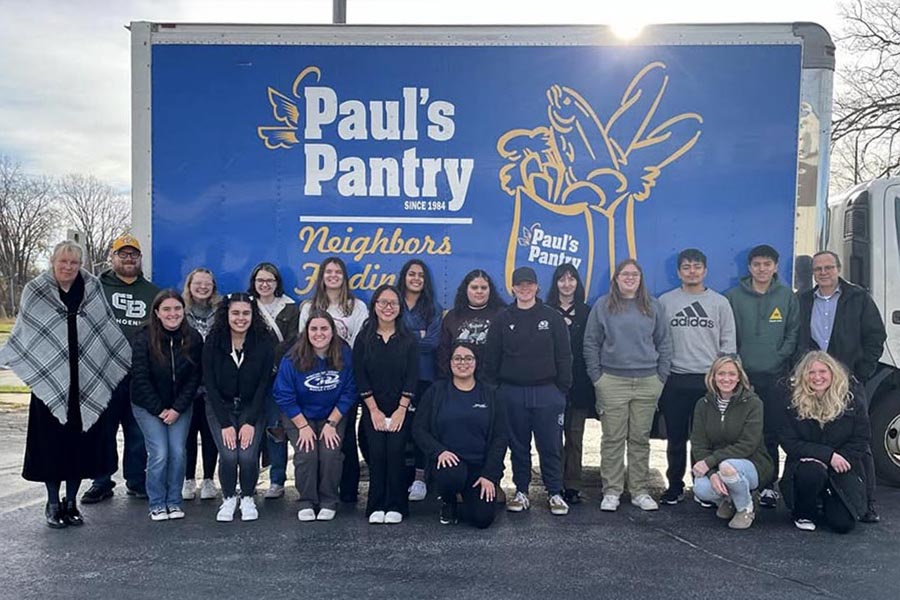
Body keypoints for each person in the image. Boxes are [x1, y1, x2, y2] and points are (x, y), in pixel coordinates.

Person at [0, 241, 130, 528]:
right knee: (50, 447)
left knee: (80, 446)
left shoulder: (92, 287)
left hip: (86, 384)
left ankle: (71, 503)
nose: (68, 267)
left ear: (80, 264)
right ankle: (52, 502)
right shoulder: (36, 289)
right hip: (51, 385)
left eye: (74, 262)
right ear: (53, 262)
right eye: (63, 262)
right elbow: (28, 332)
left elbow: (104, 329)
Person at [794, 250, 886, 523]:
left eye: (828, 267)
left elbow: (875, 336)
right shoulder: (803, 300)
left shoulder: (858, 298)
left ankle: (868, 504)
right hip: (814, 378)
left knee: (861, 442)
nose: (823, 273)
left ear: (838, 268)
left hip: (849, 381)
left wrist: (862, 373)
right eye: (818, 269)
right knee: (816, 434)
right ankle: (820, 493)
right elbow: (797, 337)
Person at [584, 259, 672, 512]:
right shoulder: (604, 305)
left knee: (640, 439)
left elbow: (664, 342)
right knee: (612, 438)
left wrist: (660, 377)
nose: (630, 278)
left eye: (635, 274)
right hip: (612, 380)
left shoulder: (652, 306)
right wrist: (597, 378)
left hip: (647, 381)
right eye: (625, 274)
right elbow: (591, 343)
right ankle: (611, 491)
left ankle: (639, 491)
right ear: (616, 278)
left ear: (641, 278)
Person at [483, 266, 573, 516]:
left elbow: (564, 356)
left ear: (537, 287)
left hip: (547, 392)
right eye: (519, 285)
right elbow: (491, 359)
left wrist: (561, 391)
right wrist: (495, 391)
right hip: (511, 392)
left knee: (551, 445)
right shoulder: (503, 318)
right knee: (518, 446)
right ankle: (521, 491)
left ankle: (555, 492)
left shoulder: (551, 317)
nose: (524, 289)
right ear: (512, 288)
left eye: (529, 284)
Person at [82, 234, 160, 504]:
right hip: (103, 375)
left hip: (138, 375)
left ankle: (137, 480)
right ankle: (101, 481)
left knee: (137, 431)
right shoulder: (95, 288)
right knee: (102, 431)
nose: (128, 259)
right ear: (112, 257)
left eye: (133, 255)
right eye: (122, 254)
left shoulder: (152, 293)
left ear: (140, 259)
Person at [658, 248, 736, 504]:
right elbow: (657, 340)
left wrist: (723, 380)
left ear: (705, 271)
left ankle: (702, 487)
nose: (692, 271)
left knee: (706, 440)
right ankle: (675, 486)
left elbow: (728, 344)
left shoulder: (719, 303)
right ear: (679, 272)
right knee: (677, 438)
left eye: (697, 267)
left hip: (708, 381)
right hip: (676, 378)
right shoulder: (666, 302)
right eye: (687, 267)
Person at [725, 244, 799, 508]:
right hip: (742, 378)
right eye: (757, 264)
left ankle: (768, 485)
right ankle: (737, 482)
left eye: (767, 264)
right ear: (749, 267)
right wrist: (737, 365)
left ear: (775, 267)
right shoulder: (734, 296)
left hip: (775, 376)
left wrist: (779, 356)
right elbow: (728, 334)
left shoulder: (787, 297)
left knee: (770, 432)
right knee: (741, 432)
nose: (762, 269)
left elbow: (793, 333)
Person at [272, 310, 356, 522]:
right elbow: (283, 394)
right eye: (314, 329)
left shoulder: (344, 354)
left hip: (332, 414)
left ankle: (328, 500)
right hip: (299, 414)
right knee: (307, 453)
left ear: (332, 331)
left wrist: (332, 422)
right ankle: (307, 500)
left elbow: (350, 390)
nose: (319, 333)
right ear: (306, 332)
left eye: (324, 328)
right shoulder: (292, 357)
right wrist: (302, 426)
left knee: (330, 453)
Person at [413, 342, 508, 528]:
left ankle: (464, 504)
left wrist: (490, 475)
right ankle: (448, 502)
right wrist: (439, 451)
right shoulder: (436, 391)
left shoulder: (490, 394)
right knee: (451, 473)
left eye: (468, 358)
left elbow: (500, 437)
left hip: (478, 469)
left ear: (476, 362)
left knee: (483, 519)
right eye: (457, 358)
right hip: (448, 464)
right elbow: (419, 429)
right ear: (449, 362)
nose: (462, 363)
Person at [298, 256, 369, 504]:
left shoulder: (357, 307)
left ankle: (348, 491)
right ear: (321, 276)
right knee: (317, 440)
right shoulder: (308, 307)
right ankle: (316, 491)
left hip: (345, 377)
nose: (333, 275)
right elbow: (303, 343)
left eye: (338, 271)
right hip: (315, 382)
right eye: (328, 271)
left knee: (345, 435)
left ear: (344, 277)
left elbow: (360, 344)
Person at [130, 290, 203, 521]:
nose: (173, 314)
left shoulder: (193, 337)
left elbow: (195, 378)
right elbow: (140, 377)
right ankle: (157, 503)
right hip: (148, 406)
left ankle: (174, 501)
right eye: (167, 309)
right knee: (160, 453)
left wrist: (177, 409)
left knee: (178, 453)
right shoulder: (143, 337)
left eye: (177, 309)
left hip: (179, 406)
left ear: (184, 310)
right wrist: (160, 410)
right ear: (157, 313)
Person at [203, 293, 275, 522]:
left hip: (251, 407)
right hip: (220, 407)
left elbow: (264, 384)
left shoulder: (263, 343)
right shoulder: (213, 342)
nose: (240, 318)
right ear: (226, 314)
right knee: (228, 453)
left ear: (254, 315)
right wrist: (225, 424)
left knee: (246, 455)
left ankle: (247, 497)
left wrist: (250, 422)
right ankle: (228, 498)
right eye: (235, 313)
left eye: (246, 313)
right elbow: (210, 386)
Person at [780, 351, 870, 533]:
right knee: (812, 471)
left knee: (842, 525)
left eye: (822, 371)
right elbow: (790, 442)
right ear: (804, 376)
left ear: (832, 373)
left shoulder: (852, 401)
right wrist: (827, 456)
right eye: (811, 372)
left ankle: (827, 500)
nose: (817, 377)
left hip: (842, 467)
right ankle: (804, 512)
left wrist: (839, 459)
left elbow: (861, 439)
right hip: (806, 466)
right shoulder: (792, 402)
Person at [353, 285, 419, 524]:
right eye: (382, 302)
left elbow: (412, 376)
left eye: (393, 303)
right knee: (376, 453)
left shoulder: (408, 339)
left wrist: (402, 409)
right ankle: (376, 505)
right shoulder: (364, 338)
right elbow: (360, 375)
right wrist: (373, 410)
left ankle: (396, 505)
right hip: (373, 408)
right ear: (375, 306)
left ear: (400, 308)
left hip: (401, 409)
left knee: (395, 453)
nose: (387, 307)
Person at [690, 356, 773, 529]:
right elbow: (698, 444)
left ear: (739, 378)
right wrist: (711, 473)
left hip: (752, 464)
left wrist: (710, 462)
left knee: (727, 467)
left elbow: (748, 444)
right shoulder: (702, 404)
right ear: (713, 377)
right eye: (721, 374)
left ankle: (745, 508)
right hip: (719, 466)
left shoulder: (753, 403)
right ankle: (730, 499)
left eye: (731, 374)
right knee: (701, 488)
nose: (726, 379)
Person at [248, 262, 300, 500]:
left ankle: (277, 480)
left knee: (275, 429)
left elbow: (292, 342)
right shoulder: (247, 305)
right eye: (260, 280)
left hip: (280, 377)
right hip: (252, 377)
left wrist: (272, 361)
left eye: (270, 280)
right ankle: (250, 479)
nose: (265, 284)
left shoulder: (290, 308)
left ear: (277, 283)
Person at [546, 264, 594, 505]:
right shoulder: (545, 312)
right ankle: (553, 484)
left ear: (578, 283)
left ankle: (572, 485)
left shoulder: (587, 312)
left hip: (580, 386)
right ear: (555, 284)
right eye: (562, 280)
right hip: (551, 385)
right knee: (553, 438)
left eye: (572, 279)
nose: (567, 284)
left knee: (575, 437)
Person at [397, 259, 443, 502]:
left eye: (421, 275)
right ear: (404, 276)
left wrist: (403, 338)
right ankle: (396, 478)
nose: (416, 278)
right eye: (412, 274)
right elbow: (385, 336)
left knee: (421, 430)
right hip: (395, 378)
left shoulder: (433, 308)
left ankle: (420, 478)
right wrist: (418, 335)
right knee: (398, 430)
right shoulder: (393, 303)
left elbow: (433, 342)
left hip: (425, 378)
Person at [182, 267, 221, 501]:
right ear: (190, 285)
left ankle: (208, 479)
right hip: (187, 381)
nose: (203, 287)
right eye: (198, 283)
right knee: (188, 434)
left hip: (212, 382)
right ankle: (188, 479)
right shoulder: (180, 310)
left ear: (213, 287)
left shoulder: (220, 311)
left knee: (210, 433)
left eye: (207, 283)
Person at [437, 269, 505, 379]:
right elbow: (443, 353)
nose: (479, 291)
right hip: (459, 383)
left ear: (490, 290)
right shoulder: (452, 316)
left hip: (493, 383)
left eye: (484, 288)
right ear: (466, 290)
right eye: (474, 287)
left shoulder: (502, 315)